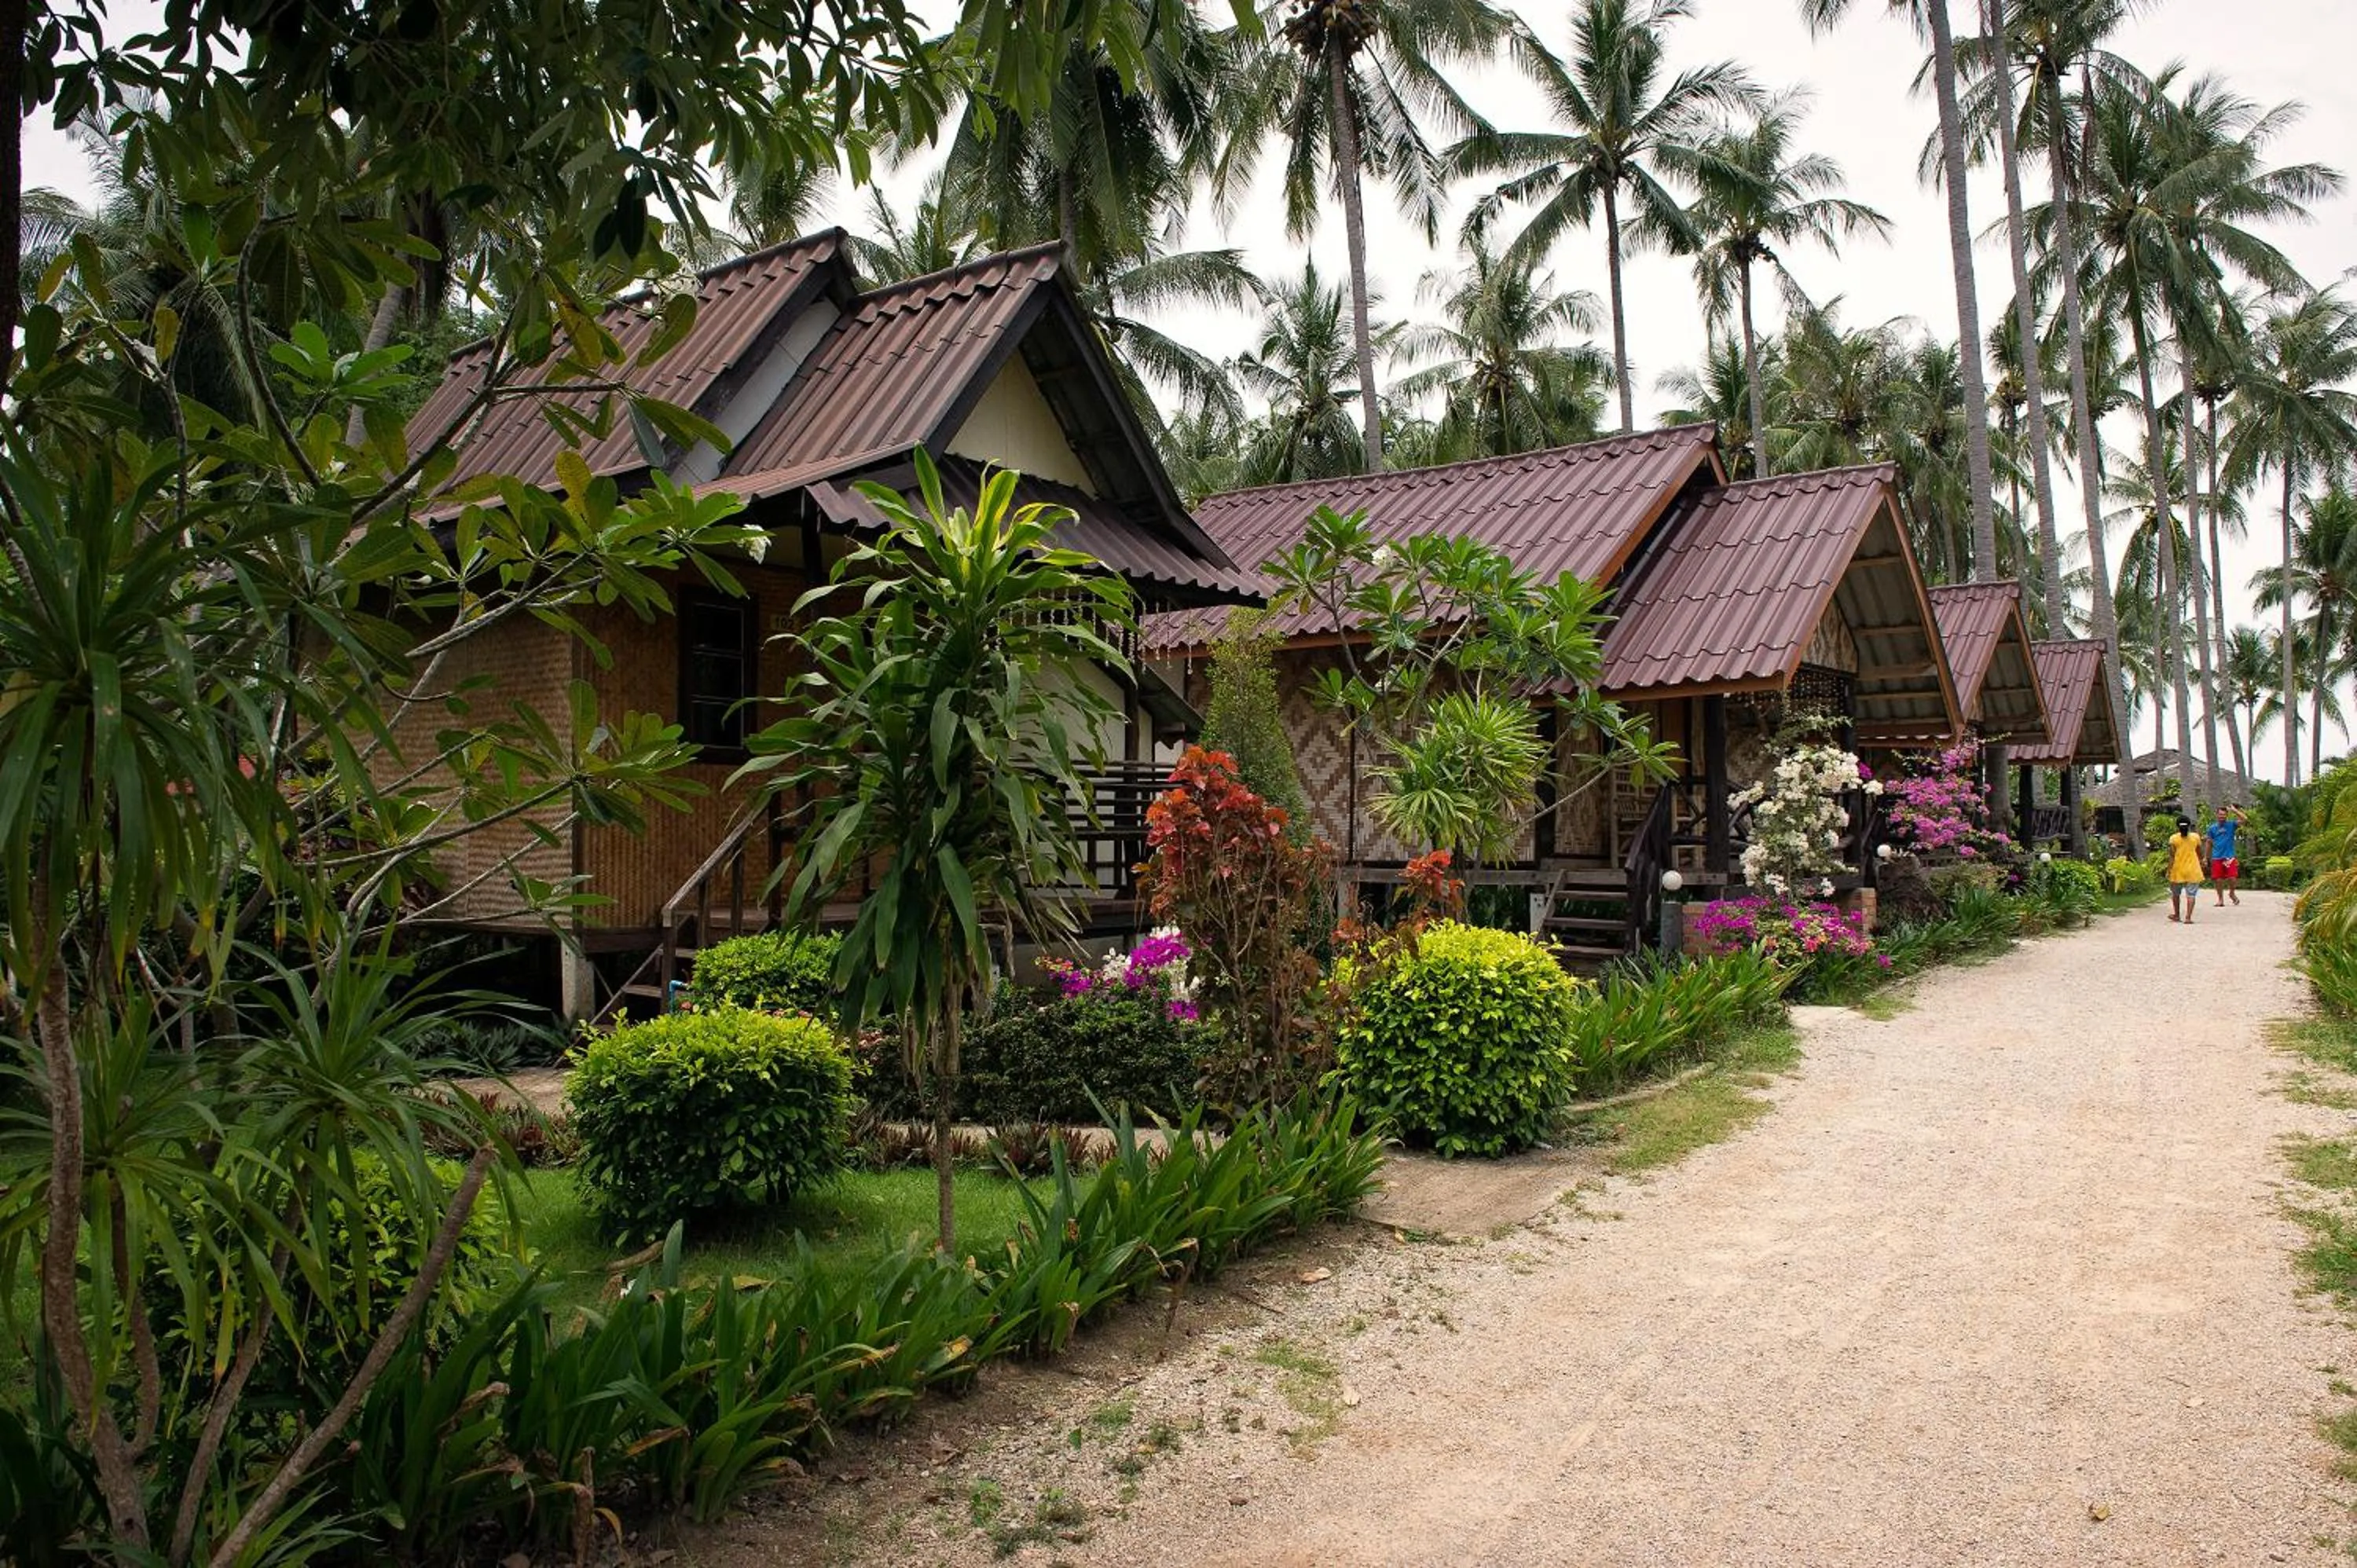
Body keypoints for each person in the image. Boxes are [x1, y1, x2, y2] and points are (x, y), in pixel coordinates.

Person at [2166, 814, 2207, 925]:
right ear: (2189, 826)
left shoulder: (2173, 838)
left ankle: (2177, 915)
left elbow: (2172, 856)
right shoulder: (2195, 837)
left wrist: (2169, 870)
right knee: (2191, 895)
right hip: (2193, 870)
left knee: (2175, 894)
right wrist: (2203, 861)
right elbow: (2200, 852)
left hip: (2178, 870)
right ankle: (2188, 918)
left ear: (2177, 827)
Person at [2208, 802, 2245, 907]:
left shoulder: (2231, 825)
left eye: (2224, 815)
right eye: (2220, 815)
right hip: (2217, 857)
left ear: (2227, 815)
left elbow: (2245, 819)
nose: (2222, 817)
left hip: (2229, 856)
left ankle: (2232, 893)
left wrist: (2235, 811)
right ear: (2217, 815)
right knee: (2218, 880)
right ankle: (2220, 899)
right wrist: (2206, 857)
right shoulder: (2212, 828)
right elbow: (2209, 843)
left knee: (2232, 878)